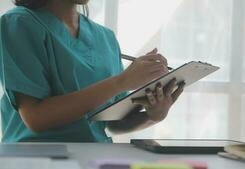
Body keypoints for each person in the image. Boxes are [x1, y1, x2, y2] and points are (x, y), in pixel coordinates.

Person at [0, 0, 184, 142]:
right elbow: (36, 118)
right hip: (34, 161)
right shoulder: (18, 23)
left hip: (95, 160)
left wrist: (154, 115)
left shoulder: (105, 37)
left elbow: (114, 123)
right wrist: (121, 82)